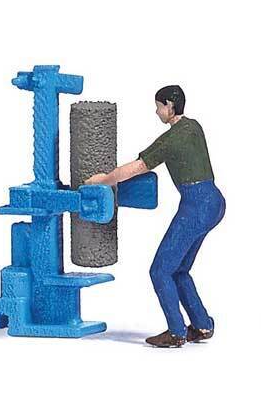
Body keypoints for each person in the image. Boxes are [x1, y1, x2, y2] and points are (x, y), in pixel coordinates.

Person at [85, 85, 225, 348]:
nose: (157, 111)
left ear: (170, 106)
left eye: (159, 106)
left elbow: (137, 168)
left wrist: (104, 180)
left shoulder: (171, 139)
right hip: (214, 201)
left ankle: (176, 332)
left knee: (160, 270)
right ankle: (202, 324)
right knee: (179, 270)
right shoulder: (194, 126)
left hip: (196, 205)